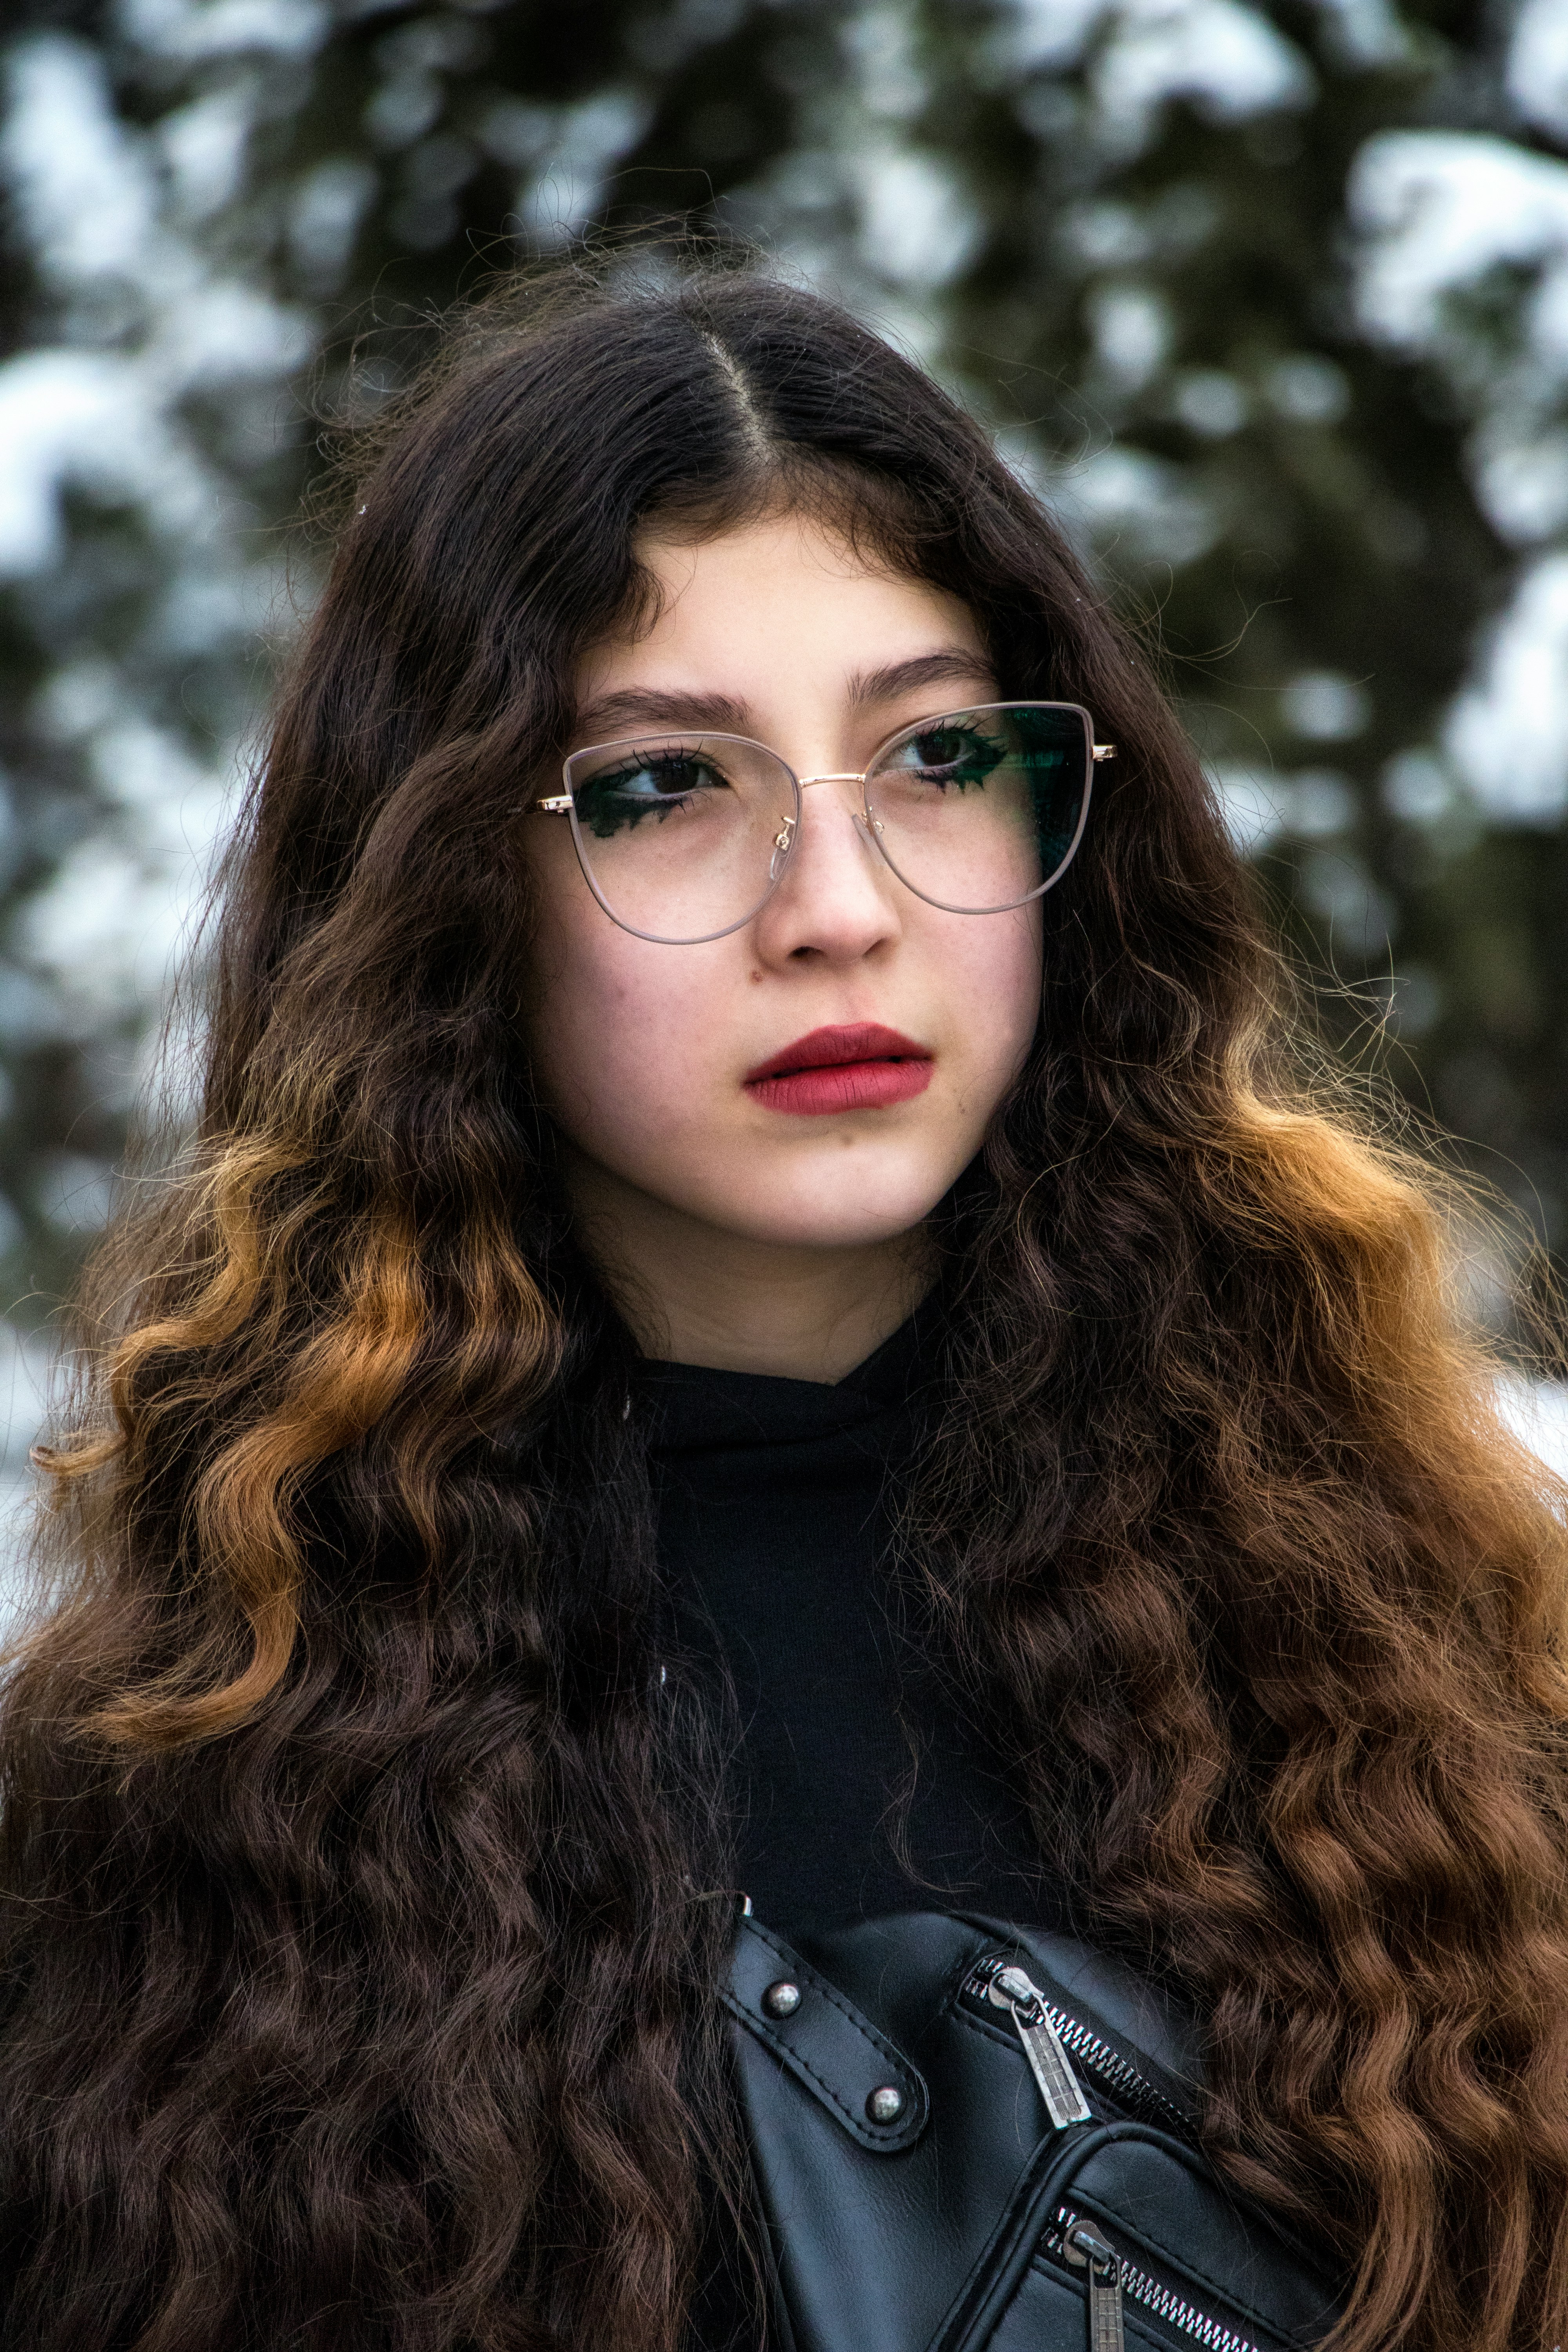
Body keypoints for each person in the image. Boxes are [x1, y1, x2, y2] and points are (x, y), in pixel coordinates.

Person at [1, 251, 1566, 2352]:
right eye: (665, 786)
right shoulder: (154, 1822)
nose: (838, 910)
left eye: (934, 755)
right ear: (449, 883)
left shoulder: (1442, 1652)